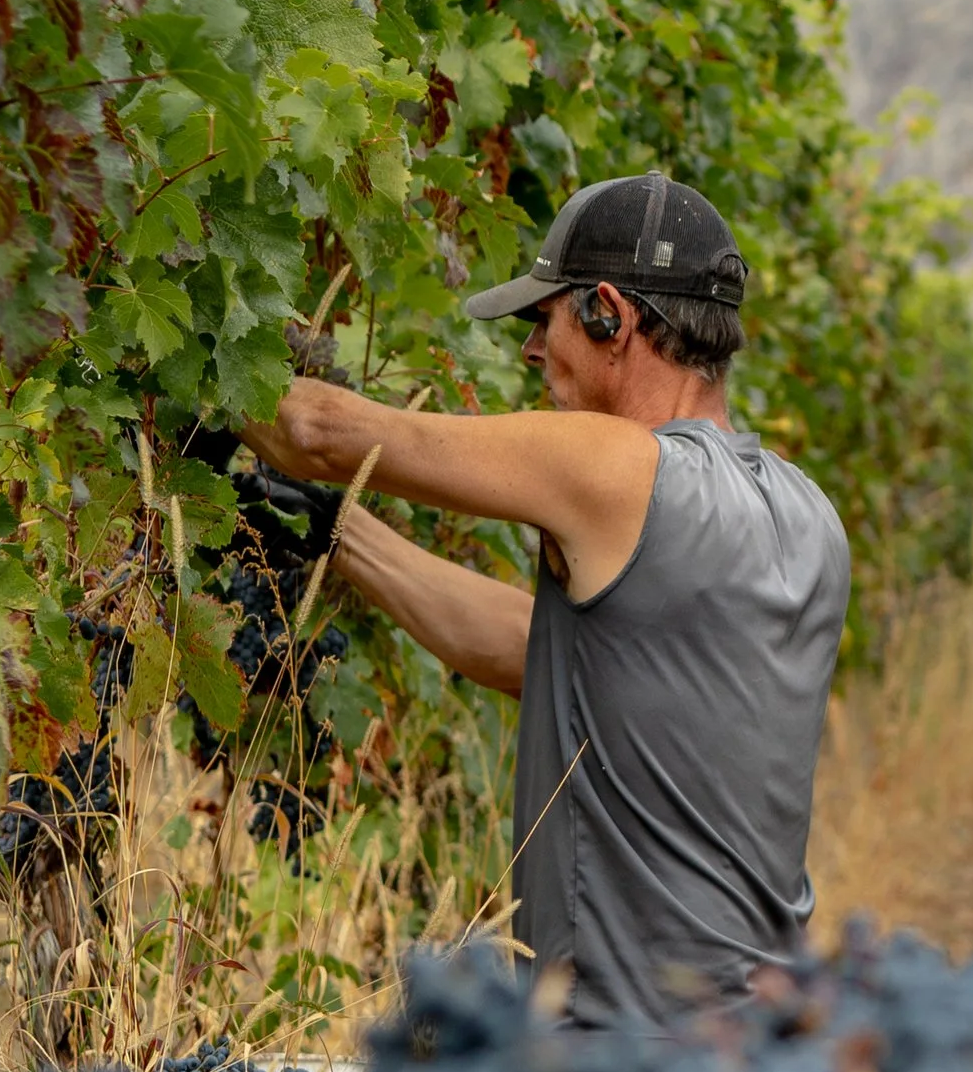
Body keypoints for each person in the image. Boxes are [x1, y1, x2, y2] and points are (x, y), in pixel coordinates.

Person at [246, 170, 850, 1026]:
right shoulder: (808, 515)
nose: (532, 351)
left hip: (619, 1052)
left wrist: (197, 359)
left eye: (545, 318)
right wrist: (341, 536)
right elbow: (545, 653)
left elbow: (319, 432)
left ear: (609, 312)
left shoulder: (611, 468)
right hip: (764, 1042)